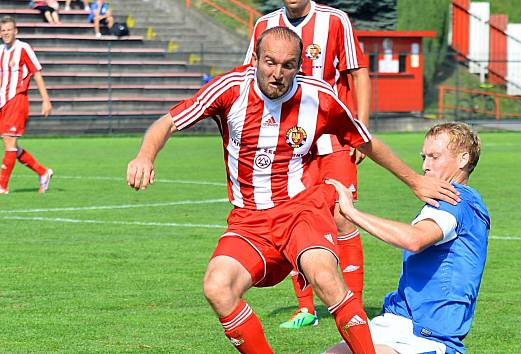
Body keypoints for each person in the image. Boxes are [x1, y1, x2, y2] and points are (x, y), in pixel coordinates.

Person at [127, 27, 459, 353]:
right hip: (249, 221)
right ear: (255, 59)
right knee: (218, 287)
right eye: (269, 62)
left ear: (299, 66)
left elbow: (365, 141)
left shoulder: (319, 95)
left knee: (326, 279)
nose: (277, 73)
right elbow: (168, 121)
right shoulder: (230, 89)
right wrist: (145, 155)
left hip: (302, 212)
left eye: (287, 65)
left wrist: (415, 181)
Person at [243, 0, 372, 329]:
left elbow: (358, 73)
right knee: (290, 215)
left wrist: (362, 129)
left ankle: (352, 305)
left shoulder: (335, 20)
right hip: (287, 143)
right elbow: (248, 77)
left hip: (332, 138)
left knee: (343, 214)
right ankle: (306, 309)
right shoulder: (265, 25)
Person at [326, 122, 490, 354]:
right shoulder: (447, 200)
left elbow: (414, 239)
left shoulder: (457, 200)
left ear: (463, 159)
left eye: (434, 157)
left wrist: (352, 213)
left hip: (427, 336)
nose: (425, 166)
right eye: (424, 157)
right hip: (397, 321)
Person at [0, 16, 54, 195]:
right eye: (3, 30)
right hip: (3, 102)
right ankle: (43, 172)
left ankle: (2, 186)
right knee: (11, 145)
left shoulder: (23, 48)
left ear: (16, 31)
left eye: (9, 29)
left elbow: (36, 74)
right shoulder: (0, 51)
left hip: (17, 100)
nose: (6, 33)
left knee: (9, 143)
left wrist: (45, 100)